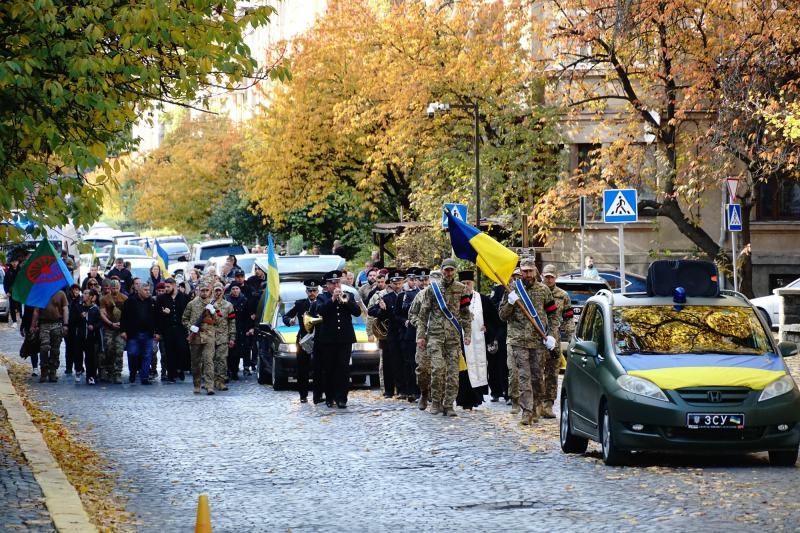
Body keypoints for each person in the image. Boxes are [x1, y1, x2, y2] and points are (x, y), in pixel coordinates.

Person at [499, 258, 560, 425]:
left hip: (538, 341)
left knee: (537, 378)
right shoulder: (511, 289)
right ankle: (526, 412)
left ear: (535, 271)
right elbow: (502, 316)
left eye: (530, 271)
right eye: (524, 271)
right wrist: (510, 303)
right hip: (518, 340)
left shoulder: (544, 290)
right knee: (524, 377)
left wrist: (552, 335)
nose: (527, 274)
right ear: (521, 271)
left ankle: (535, 408)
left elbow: (553, 314)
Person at [415, 258, 472, 417]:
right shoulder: (432, 289)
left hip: (453, 338)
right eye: (446, 270)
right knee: (437, 369)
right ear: (441, 271)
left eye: (451, 270)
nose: (448, 273)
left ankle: (449, 404)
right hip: (435, 337)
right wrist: (420, 336)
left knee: (453, 374)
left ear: (455, 271)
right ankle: (436, 402)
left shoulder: (462, 289)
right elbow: (423, 315)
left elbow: (466, 315)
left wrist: (467, 334)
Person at [315, 270, 361, 408]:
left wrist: (345, 301)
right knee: (329, 368)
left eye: (337, 282)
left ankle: (342, 398)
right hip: (328, 339)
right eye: (332, 283)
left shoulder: (349, 295)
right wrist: (333, 299)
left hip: (345, 338)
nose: (336, 286)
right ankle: (330, 397)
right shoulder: (322, 297)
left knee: (343, 369)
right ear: (327, 285)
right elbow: (320, 311)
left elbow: (357, 312)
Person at [457, 270, 500, 410]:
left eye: (468, 283)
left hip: (479, 340)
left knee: (479, 366)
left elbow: (495, 319)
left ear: (473, 283)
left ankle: (477, 398)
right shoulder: (455, 299)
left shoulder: (483, 300)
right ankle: (464, 399)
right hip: (462, 340)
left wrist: (487, 327)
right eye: (463, 283)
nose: (465, 286)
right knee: (464, 370)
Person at [540, 264, 574, 418]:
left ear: (556, 277)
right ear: (542, 276)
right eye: (546, 276)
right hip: (536, 339)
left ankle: (548, 404)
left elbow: (568, 318)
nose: (548, 279)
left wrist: (572, 337)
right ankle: (536, 403)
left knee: (552, 373)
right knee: (536, 373)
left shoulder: (563, 296)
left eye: (551, 277)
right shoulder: (535, 292)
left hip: (554, 340)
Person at [282, 279, 321, 403]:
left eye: (314, 290)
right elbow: (286, 316)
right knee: (302, 369)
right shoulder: (300, 304)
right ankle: (303, 395)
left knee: (319, 368)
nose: (312, 293)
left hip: (319, 339)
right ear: (306, 291)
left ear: (318, 291)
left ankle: (318, 395)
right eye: (310, 290)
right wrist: (289, 321)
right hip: (303, 339)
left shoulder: (322, 302)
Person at [368, 270, 405, 399]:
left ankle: (402, 389)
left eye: (400, 282)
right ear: (391, 284)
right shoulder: (386, 297)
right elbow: (371, 311)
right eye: (395, 282)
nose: (398, 285)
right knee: (389, 363)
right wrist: (381, 309)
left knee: (403, 362)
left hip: (404, 334)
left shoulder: (407, 295)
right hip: (390, 334)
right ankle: (389, 390)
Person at [120, 282, 160, 385]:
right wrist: (123, 330)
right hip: (133, 333)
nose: (148, 292)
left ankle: (144, 377)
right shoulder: (130, 301)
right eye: (146, 290)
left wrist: (157, 332)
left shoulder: (151, 302)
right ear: (139, 290)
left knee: (147, 355)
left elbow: (156, 318)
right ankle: (132, 372)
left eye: (149, 290)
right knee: (132, 353)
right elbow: (124, 317)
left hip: (148, 334)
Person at [182, 281, 217, 395]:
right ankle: (197, 384)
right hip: (195, 337)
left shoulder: (213, 304)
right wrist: (190, 326)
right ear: (198, 291)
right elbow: (184, 319)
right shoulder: (191, 304)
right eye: (202, 290)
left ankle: (209, 386)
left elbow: (218, 321)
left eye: (207, 290)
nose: (205, 292)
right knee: (196, 362)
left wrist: (213, 312)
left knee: (208, 361)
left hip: (209, 336)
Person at [31, 288, 70, 383]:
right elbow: (36, 311)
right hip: (44, 324)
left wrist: (65, 324)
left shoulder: (61, 294)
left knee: (55, 349)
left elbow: (65, 309)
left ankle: (53, 371)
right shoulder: (41, 293)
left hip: (57, 323)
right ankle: (44, 371)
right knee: (44, 347)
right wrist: (33, 325)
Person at [156, 277, 191, 383]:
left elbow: (188, 313)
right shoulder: (161, 298)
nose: (166, 289)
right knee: (169, 352)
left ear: (174, 285)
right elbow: (156, 314)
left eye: (168, 287)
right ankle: (171, 374)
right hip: (168, 329)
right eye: (165, 287)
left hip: (181, 328)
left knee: (182, 349)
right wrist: (163, 314)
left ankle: (180, 369)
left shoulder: (184, 297)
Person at [99, 279, 127, 384]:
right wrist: (111, 323)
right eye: (113, 288)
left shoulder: (124, 298)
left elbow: (128, 314)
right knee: (109, 349)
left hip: (121, 329)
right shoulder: (104, 299)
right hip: (109, 329)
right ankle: (109, 371)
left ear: (119, 287)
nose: (115, 290)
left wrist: (123, 325)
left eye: (116, 288)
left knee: (119, 350)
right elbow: (102, 313)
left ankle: (117, 373)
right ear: (110, 288)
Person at [226, 283, 254, 382]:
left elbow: (248, 316)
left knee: (237, 352)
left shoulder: (244, 300)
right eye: (233, 289)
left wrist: (249, 328)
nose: (235, 290)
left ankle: (234, 371)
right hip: (229, 327)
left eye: (237, 288)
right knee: (229, 351)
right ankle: (228, 370)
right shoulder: (227, 300)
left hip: (241, 328)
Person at [210, 282, 235, 391]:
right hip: (209, 336)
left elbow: (232, 322)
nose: (218, 292)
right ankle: (211, 380)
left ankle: (221, 381)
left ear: (223, 291)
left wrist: (232, 337)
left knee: (222, 359)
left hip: (223, 336)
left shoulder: (228, 305)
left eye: (219, 290)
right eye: (216, 290)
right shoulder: (208, 304)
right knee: (209, 360)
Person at [76, 288, 102, 385]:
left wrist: (93, 327)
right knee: (78, 355)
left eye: (86, 294)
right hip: (79, 336)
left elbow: (100, 322)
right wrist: (79, 316)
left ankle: (90, 376)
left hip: (90, 337)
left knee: (90, 357)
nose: (84, 295)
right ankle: (78, 370)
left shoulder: (95, 309)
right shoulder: (78, 307)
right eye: (84, 293)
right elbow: (73, 320)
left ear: (91, 297)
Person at [64, 284, 84, 379]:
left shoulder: (81, 300)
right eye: (74, 289)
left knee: (78, 348)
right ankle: (68, 367)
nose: (76, 291)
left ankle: (78, 367)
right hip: (69, 326)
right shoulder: (67, 299)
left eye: (77, 290)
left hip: (78, 327)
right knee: (69, 347)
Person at [3, 255, 22, 328]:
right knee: (12, 307)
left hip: (20, 292)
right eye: (13, 262)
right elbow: (5, 283)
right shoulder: (8, 272)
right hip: (11, 293)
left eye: (16, 262)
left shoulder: (21, 271)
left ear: (18, 262)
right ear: (11, 263)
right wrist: (7, 292)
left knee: (19, 306)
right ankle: (14, 321)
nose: (14, 263)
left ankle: (21, 317)